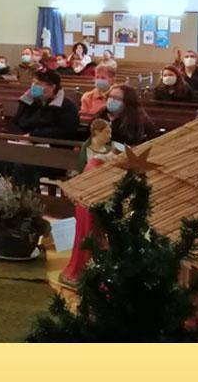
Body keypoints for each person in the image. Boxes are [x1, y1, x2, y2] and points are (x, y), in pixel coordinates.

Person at [60, 118, 119, 287]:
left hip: (101, 193)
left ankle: (95, 268)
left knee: (98, 234)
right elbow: (83, 170)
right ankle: (82, 269)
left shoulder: (111, 150)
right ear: (97, 132)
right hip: (88, 195)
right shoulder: (88, 151)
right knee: (86, 233)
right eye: (106, 132)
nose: (109, 135)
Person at [5, 68, 81, 188]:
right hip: (23, 146)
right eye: (33, 83)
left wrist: (33, 137)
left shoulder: (67, 107)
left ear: (52, 87)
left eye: (39, 84)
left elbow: (66, 131)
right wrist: (18, 136)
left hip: (53, 153)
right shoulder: (29, 100)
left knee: (23, 165)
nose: (34, 87)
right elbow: (15, 122)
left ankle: (26, 201)